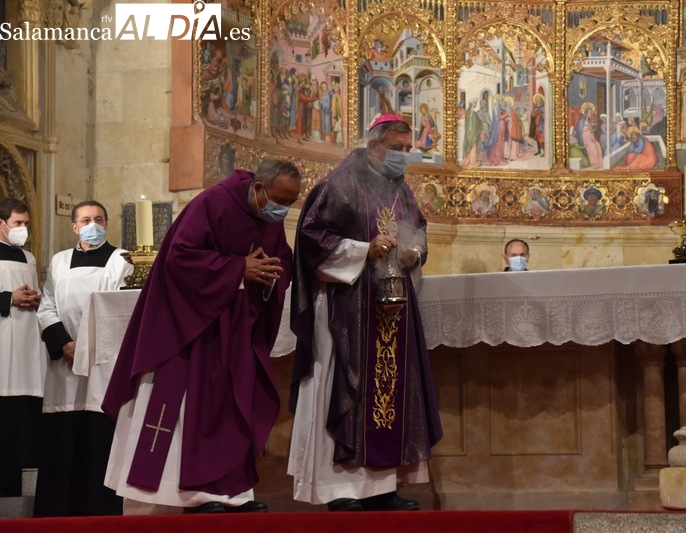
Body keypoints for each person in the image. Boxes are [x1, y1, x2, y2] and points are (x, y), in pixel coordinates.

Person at [102, 160, 301, 515]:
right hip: (192, 330)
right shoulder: (213, 203)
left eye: (290, 203)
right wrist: (239, 268)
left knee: (231, 409)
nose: (282, 211)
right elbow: (180, 258)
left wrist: (273, 273)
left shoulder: (268, 217)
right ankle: (184, 495)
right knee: (187, 408)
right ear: (258, 188)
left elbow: (281, 259)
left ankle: (231, 494)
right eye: (279, 200)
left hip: (236, 332)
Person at [289, 113, 443, 512]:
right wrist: (362, 250)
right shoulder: (339, 184)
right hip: (348, 306)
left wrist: (415, 252)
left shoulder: (399, 189)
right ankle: (339, 489)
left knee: (391, 391)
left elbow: (418, 228)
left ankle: (381, 487)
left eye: (409, 151)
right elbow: (310, 239)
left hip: (391, 305)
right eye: (397, 150)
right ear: (374, 146)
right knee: (347, 390)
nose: (403, 158)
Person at [34, 200, 133, 517]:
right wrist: (64, 344)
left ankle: (98, 511)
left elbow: (121, 308)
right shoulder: (60, 261)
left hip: (103, 363)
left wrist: (89, 344)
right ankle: (56, 512)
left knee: (96, 439)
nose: (94, 224)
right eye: (87, 219)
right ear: (74, 226)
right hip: (65, 366)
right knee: (63, 442)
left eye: (100, 219)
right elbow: (46, 306)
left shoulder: (122, 260)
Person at [0, 198, 45, 498]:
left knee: (26, 425)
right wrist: (8, 299)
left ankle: (25, 496)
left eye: (26, 224)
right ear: (1, 225)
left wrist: (34, 299)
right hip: (3, 344)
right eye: (17, 224)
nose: (23, 229)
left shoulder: (28, 258)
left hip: (29, 348)